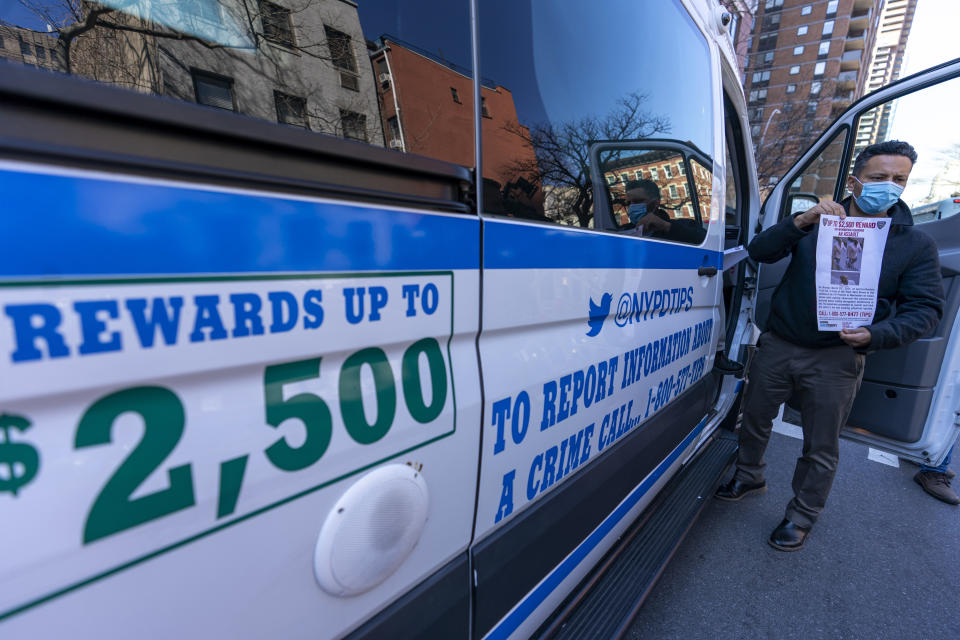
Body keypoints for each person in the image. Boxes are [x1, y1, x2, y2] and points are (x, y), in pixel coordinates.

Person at [715, 140, 945, 551]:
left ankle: (801, 516)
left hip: (838, 358)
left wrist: (877, 335)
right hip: (780, 343)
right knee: (753, 418)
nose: (889, 186)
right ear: (855, 181)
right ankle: (749, 475)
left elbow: (926, 309)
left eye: (899, 179)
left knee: (820, 445)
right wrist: (801, 220)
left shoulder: (914, 244)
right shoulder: (817, 221)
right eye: (879, 178)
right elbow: (760, 252)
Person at [622, 179, 706, 245]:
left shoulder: (686, 224)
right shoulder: (622, 232)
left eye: (637, 201)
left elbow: (703, 240)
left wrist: (666, 226)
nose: (631, 207)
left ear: (655, 203)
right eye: (628, 203)